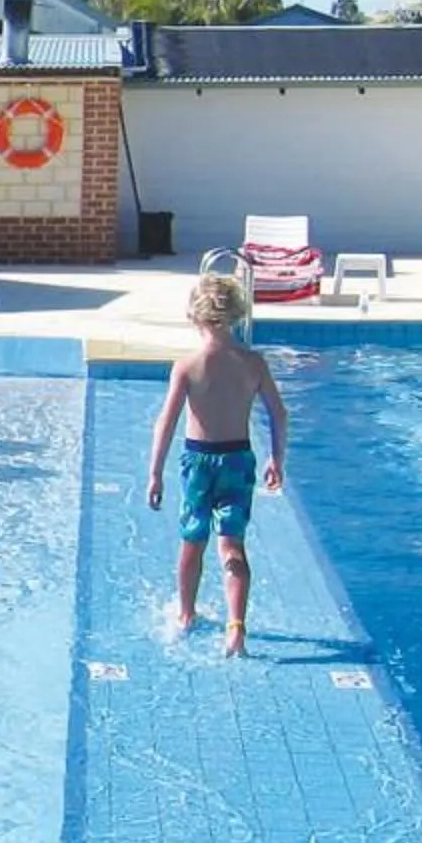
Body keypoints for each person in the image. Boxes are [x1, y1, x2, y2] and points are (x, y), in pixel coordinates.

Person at [146, 271, 288, 655]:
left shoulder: (188, 366)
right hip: (239, 460)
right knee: (233, 547)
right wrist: (277, 459)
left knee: (192, 543)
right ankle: (236, 628)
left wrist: (155, 472)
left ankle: (187, 614)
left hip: (198, 462)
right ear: (237, 314)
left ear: (195, 316)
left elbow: (167, 421)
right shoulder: (254, 363)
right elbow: (279, 414)